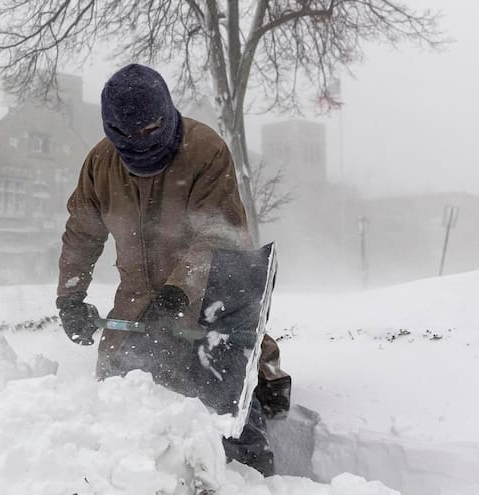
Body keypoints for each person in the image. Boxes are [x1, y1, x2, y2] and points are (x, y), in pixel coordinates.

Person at [55, 63, 288, 477]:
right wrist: (70, 298)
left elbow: (220, 236)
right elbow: (82, 234)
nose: (142, 142)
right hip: (136, 307)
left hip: (206, 302)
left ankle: (253, 474)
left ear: (166, 113)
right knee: (120, 404)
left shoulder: (205, 151)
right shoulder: (100, 164)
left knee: (227, 412)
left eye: (151, 129)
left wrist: (180, 290)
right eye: (130, 135)